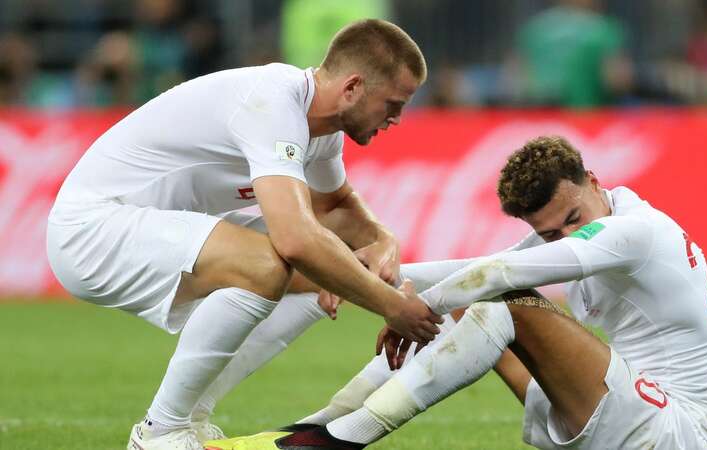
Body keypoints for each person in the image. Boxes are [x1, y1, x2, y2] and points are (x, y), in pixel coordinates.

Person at [46, 19, 443, 450]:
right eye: (393, 103)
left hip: (148, 223)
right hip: (93, 229)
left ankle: (190, 418)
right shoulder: (271, 103)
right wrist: (390, 305)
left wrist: (382, 239)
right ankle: (160, 432)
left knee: (328, 273)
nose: (398, 119)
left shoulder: (320, 129)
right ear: (352, 88)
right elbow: (295, 240)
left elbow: (334, 210)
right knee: (274, 264)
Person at [210, 136, 707, 449]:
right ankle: (313, 428)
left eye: (573, 219)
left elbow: (495, 277)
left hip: (676, 430)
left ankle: (339, 441)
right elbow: (476, 268)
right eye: (550, 233)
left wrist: (400, 307)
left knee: (504, 298)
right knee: (481, 296)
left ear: (594, 180)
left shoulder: (637, 230)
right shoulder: (599, 222)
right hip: (630, 411)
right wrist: (360, 277)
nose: (566, 238)